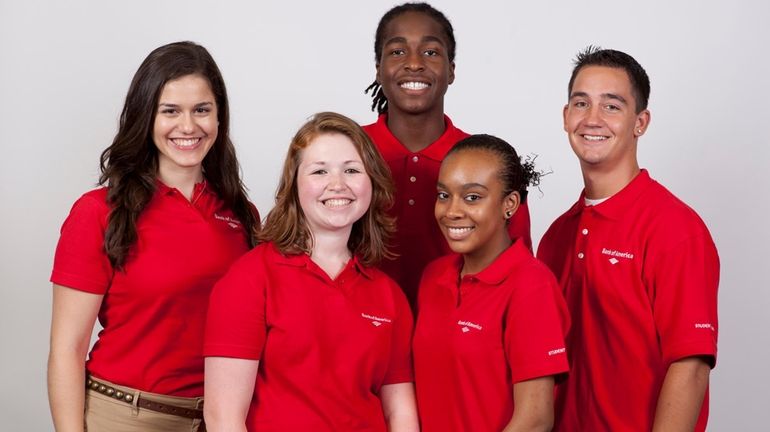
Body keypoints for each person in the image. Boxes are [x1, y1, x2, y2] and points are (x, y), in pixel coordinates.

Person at [47, 41, 259, 431]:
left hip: (220, 419)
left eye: (202, 110)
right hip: (126, 416)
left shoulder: (239, 215)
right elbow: (67, 350)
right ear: (146, 117)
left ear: (219, 117)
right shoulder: (98, 212)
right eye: (170, 111)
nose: (188, 126)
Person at [537, 47, 719, 431]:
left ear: (641, 122)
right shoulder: (556, 237)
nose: (592, 119)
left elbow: (690, 368)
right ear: (565, 116)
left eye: (612, 106)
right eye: (581, 103)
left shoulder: (674, 228)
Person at [203, 112, 419, 432]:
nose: (337, 184)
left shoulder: (388, 296)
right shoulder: (250, 279)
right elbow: (224, 419)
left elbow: (400, 413)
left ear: (371, 181)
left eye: (351, 170)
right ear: (295, 185)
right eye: (320, 171)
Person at [363, 2, 532, 307]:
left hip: (458, 338)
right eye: (397, 51)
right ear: (378, 68)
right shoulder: (345, 154)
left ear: (452, 70)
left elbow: (520, 279)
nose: (414, 63)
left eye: (431, 52)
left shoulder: (486, 162)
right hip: (358, 341)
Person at [412, 134, 569, 432]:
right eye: (444, 195)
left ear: (509, 204)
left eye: (472, 197)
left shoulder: (532, 286)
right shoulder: (432, 278)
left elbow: (535, 420)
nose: (452, 211)